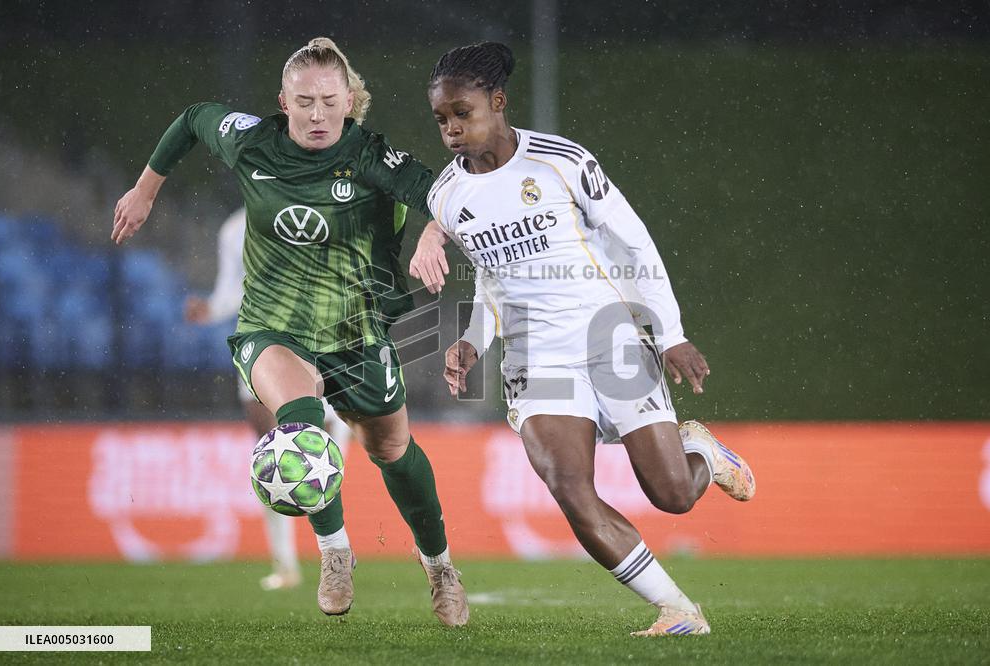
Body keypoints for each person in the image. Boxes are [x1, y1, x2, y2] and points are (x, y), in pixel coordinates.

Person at [113, 37, 469, 626]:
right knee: (298, 424)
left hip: (357, 335)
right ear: (283, 101)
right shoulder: (252, 141)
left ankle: (440, 567)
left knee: (393, 451)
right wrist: (145, 189)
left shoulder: (373, 157)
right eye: (303, 101)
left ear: (350, 100)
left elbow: (440, 194)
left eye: (329, 100)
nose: (317, 114)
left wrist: (433, 235)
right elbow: (193, 118)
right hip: (274, 328)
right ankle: (334, 553)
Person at [410, 42, 755, 637]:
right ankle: (678, 610)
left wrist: (670, 334)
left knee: (673, 494)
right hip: (536, 358)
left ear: (498, 102)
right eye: (441, 119)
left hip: (609, 335)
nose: (451, 129)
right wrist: (472, 340)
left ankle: (703, 453)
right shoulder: (447, 196)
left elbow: (634, 241)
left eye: (462, 113)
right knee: (568, 486)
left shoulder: (561, 161)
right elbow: (494, 279)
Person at [183, 206, 353, 592]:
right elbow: (230, 292)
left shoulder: (321, 207)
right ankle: (285, 564)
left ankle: (334, 553)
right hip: (260, 349)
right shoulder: (234, 228)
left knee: (320, 459)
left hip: (318, 347)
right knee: (270, 457)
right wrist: (209, 310)